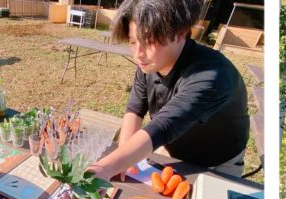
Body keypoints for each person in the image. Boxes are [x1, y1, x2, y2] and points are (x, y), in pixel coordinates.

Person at [86, 0, 250, 181]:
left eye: (149, 41)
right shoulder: (149, 64)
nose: (138, 53)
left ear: (180, 33)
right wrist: (122, 161)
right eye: (133, 41)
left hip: (218, 163)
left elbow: (164, 126)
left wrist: (106, 167)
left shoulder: (214, 74)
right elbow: (135, 108)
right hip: (173, 150)